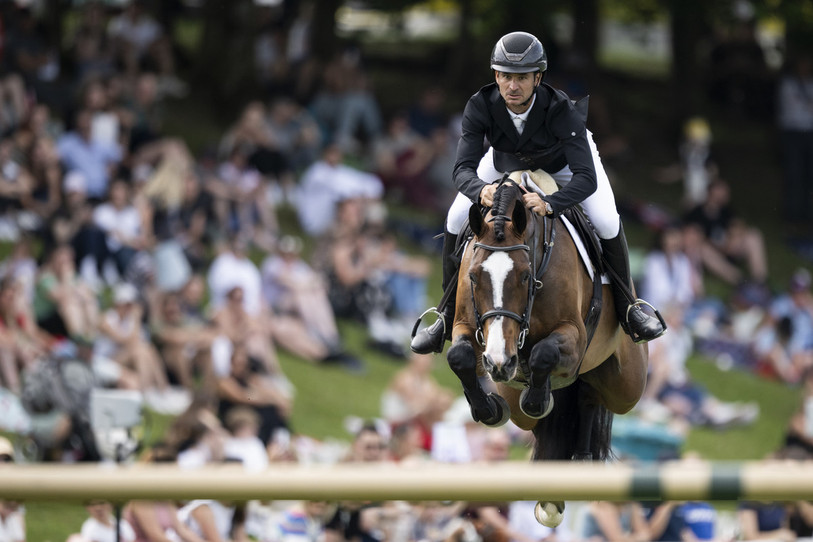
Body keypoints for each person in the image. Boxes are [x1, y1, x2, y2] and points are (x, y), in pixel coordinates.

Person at [411, 31, 665, 354]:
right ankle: (446, 315)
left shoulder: (560, 109)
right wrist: (481, 190)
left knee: (605, 219)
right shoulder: (479, 105)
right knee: (455, 216)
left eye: (521, 78)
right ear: (495, 75)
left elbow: (586, 178)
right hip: (504, 162)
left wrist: (550, 203)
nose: (512, 86)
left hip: (566, 164)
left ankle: (630, 309)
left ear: (538, 77)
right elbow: (461, 170)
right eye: (504, 76)